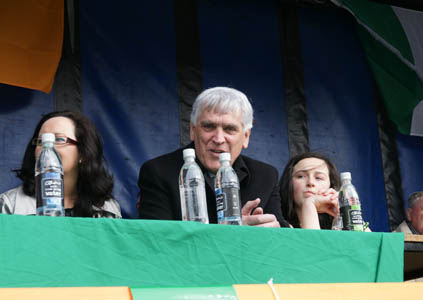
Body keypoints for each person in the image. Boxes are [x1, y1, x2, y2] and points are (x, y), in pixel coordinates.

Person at [138, 86, 287, 227]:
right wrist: (234, 232)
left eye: (230, 129)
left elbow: (283, 239)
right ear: (192, 130)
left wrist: (274, 232)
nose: (218, 139)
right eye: (209, 126)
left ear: (246, 137)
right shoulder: (158, 172)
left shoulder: (265, 176)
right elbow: (158, 240)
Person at [0, 111, 121, 218]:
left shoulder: (107, 208)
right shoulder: (10, 204)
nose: (47, 148)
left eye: (59, 140)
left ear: (83, 153)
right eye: (41, 141)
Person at [279, 152, 340, 229]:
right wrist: (309, 203)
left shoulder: (337, 227)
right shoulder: (278, 226)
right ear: (288, 183)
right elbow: (312, 240)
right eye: (300, 176)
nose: (310, 182)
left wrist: (342, 214)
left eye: (318, 178)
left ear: (331, 185)